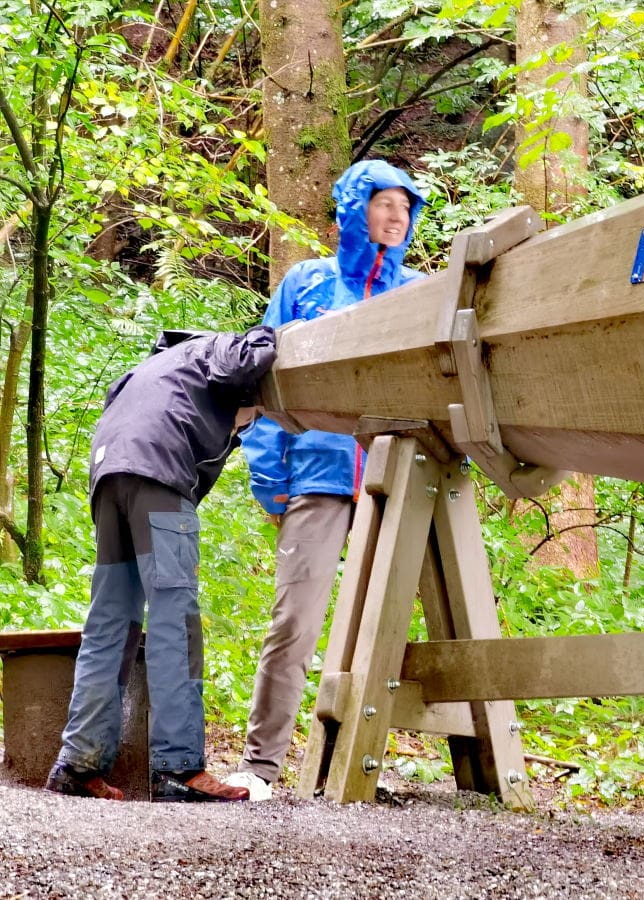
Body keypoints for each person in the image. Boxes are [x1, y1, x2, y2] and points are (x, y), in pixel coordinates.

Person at [225, 160, 427, 800]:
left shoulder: (419, 289)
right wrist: (269, 477)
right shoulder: (306, 282)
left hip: (400, 481)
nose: (396, 216)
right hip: (316, 475)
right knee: (296, 622)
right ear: (353, 207)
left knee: (380, 628)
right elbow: (260, 380)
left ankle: (349, 766)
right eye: (383, 203)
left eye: (406, 207)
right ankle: (261, 765)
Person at [46, 325, 277, 802]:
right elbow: (249, 355)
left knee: (109, 620)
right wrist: (271, 337)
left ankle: (79, 764)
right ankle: (179, 767)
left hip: (110, 475)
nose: (244, 428)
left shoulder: (156, 368)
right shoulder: (217, 349)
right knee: (175, 618)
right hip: (157, 474)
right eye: (250, 419)